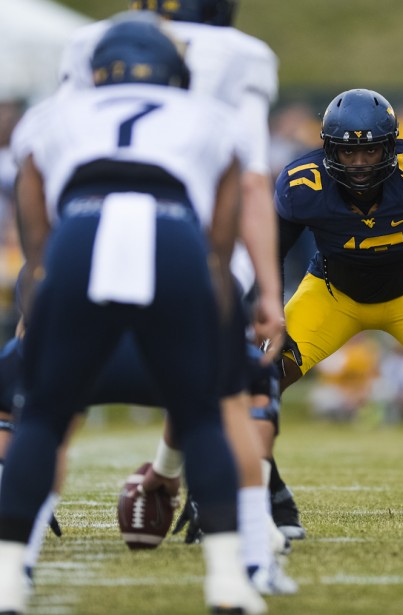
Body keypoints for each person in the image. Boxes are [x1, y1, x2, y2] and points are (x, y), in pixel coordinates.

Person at [0, 18, 265, 614]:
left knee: (43, 414)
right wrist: (217, 308)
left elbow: (34, 220)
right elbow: (222, 238)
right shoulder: (211, 118)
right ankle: (227, 579)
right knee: (201, 415)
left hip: (81, 229)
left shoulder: (53, 115)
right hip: (173, 230)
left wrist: (43, 291)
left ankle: (7, 579)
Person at [51, 0, 298, 591]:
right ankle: (249, 558)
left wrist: (43, 272)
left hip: (84, 239)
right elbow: (252, 181)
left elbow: (48, 173)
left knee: (38, 403)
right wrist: (266, 286)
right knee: (227, 401)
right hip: (189, 248)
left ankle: (14, 553)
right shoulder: (235, 66)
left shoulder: (86, 45)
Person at [273, 88, 403, 493]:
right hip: (332, 292)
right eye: (347, 153)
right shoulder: (302, 183)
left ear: (390, 145)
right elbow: (270, 254)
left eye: (370, 152)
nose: (358, 163)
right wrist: (269, 310)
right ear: (328, 150)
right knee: (265, 373)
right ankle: (258, 490)